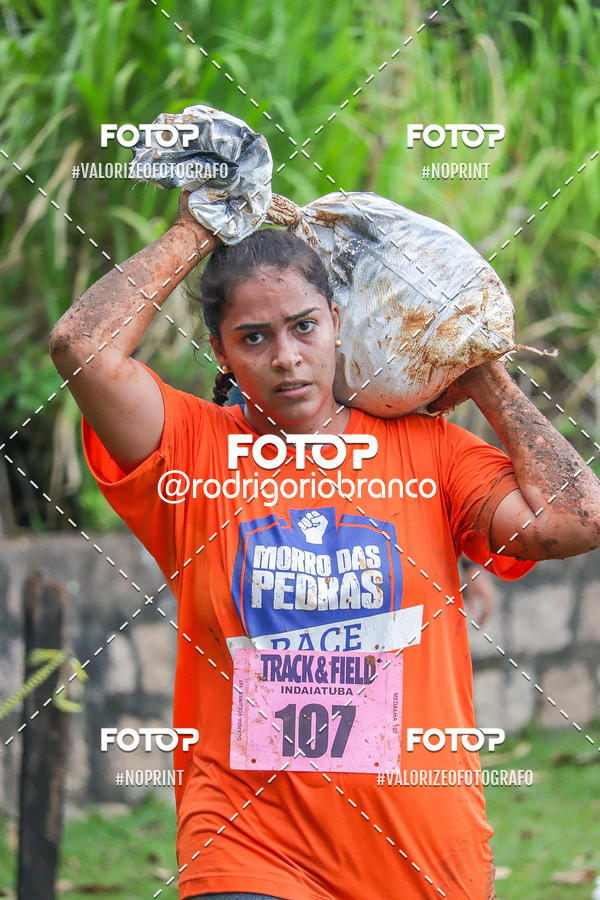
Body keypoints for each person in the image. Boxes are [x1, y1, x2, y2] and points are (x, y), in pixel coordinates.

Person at [49, 189, 600, 900]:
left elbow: (580, 517)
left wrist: (477, 366)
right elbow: (79, 346)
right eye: (253, 337)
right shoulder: (191, 452)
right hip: (248, 847)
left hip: (425, 856)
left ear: (339, 322)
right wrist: (196, 228)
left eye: (304, 326)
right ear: (218, 349)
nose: (286, 358)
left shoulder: (428, 450)